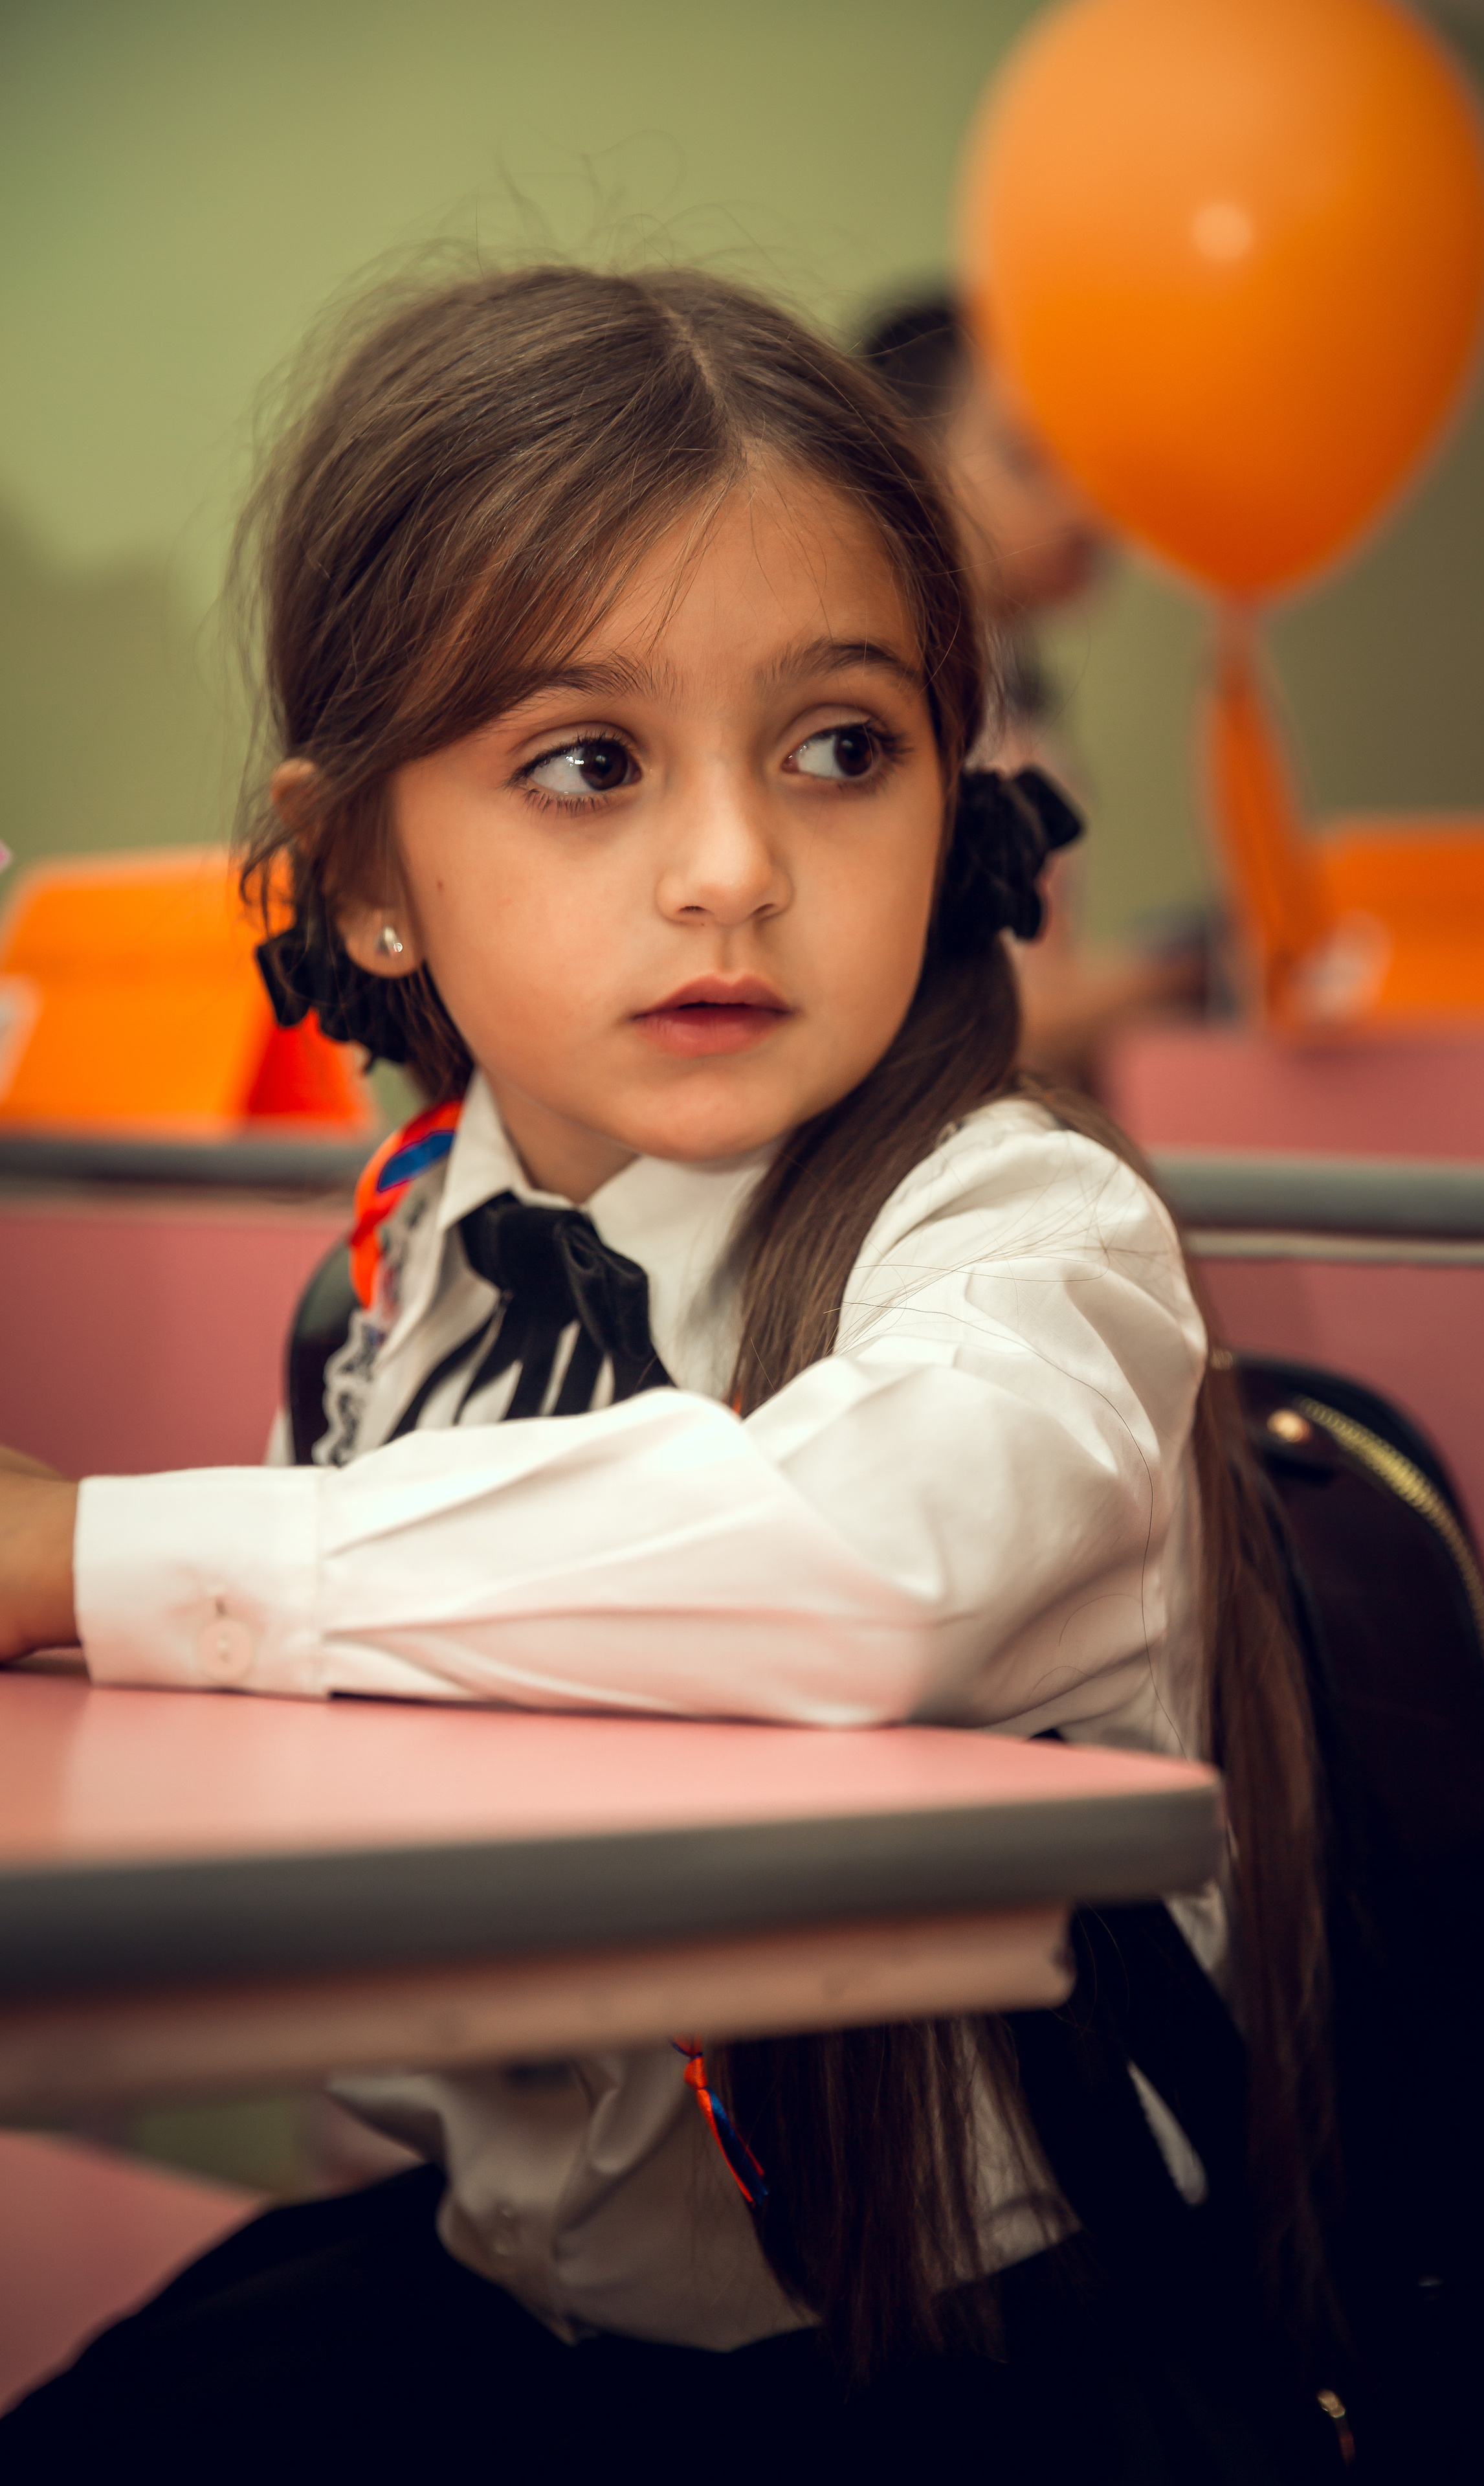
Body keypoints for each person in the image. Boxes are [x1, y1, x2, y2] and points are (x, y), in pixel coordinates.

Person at [0, 265, 1336, 2481]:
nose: (733, 870)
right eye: (589, 765)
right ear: (368, 878)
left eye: (839, 749)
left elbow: (856, 1572)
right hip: (528, 2307)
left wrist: (80, 1554)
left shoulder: (1033, 1246)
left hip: (993, 2369)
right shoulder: (388, 1280)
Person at [858, 292, 1210, 1082]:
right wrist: (1174, 976)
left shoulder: (1011, 681)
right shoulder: (893, 703)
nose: (1089, 504)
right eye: (1030, 458)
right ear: (904, 465)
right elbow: (949, 1026)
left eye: (1094, 460)